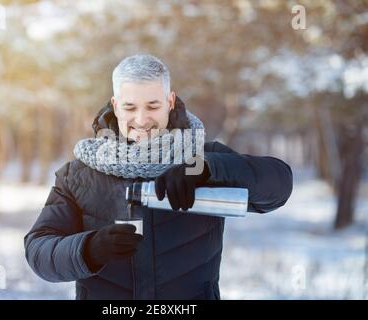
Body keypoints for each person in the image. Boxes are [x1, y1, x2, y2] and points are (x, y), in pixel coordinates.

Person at [24, 54, 293, 299]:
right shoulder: (80, 174)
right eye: (130, 108)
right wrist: (87, 248)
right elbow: (38, 250)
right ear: (116, 107)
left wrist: (207, 168)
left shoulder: (202, 158)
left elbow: (278, 185)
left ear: (170, 102)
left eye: (152, 106)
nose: (141, 120)